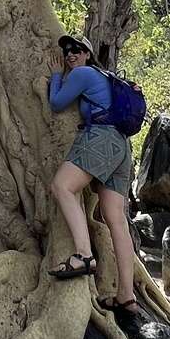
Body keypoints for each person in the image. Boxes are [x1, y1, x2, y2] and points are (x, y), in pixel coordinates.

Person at [46, 33, 138, 311]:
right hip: (121, 147)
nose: (70, 55)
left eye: (77, 49)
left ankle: (84, 255)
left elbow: (56, 103)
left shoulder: (83, 73)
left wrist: (54, 78)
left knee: (62, 187)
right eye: (67, 52)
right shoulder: (105, 77)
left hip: (101, 138)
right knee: (116, 221)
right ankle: (126, 296)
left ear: (87, 54)